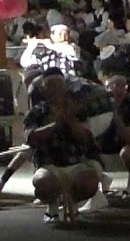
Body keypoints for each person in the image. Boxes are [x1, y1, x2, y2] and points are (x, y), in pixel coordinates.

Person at [25, 70, 103, 223]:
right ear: (43, 90)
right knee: (44, 183)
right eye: (51, 86)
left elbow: (86, 138)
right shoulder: (36, 112)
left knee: (89, 183)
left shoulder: (77, 110)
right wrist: (56, 123)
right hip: (48, 164)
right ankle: (52, 207)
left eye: (59, 86)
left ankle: (73, 204)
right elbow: (32, 138)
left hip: (76, 162)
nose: (56, 90)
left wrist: (70, 121)